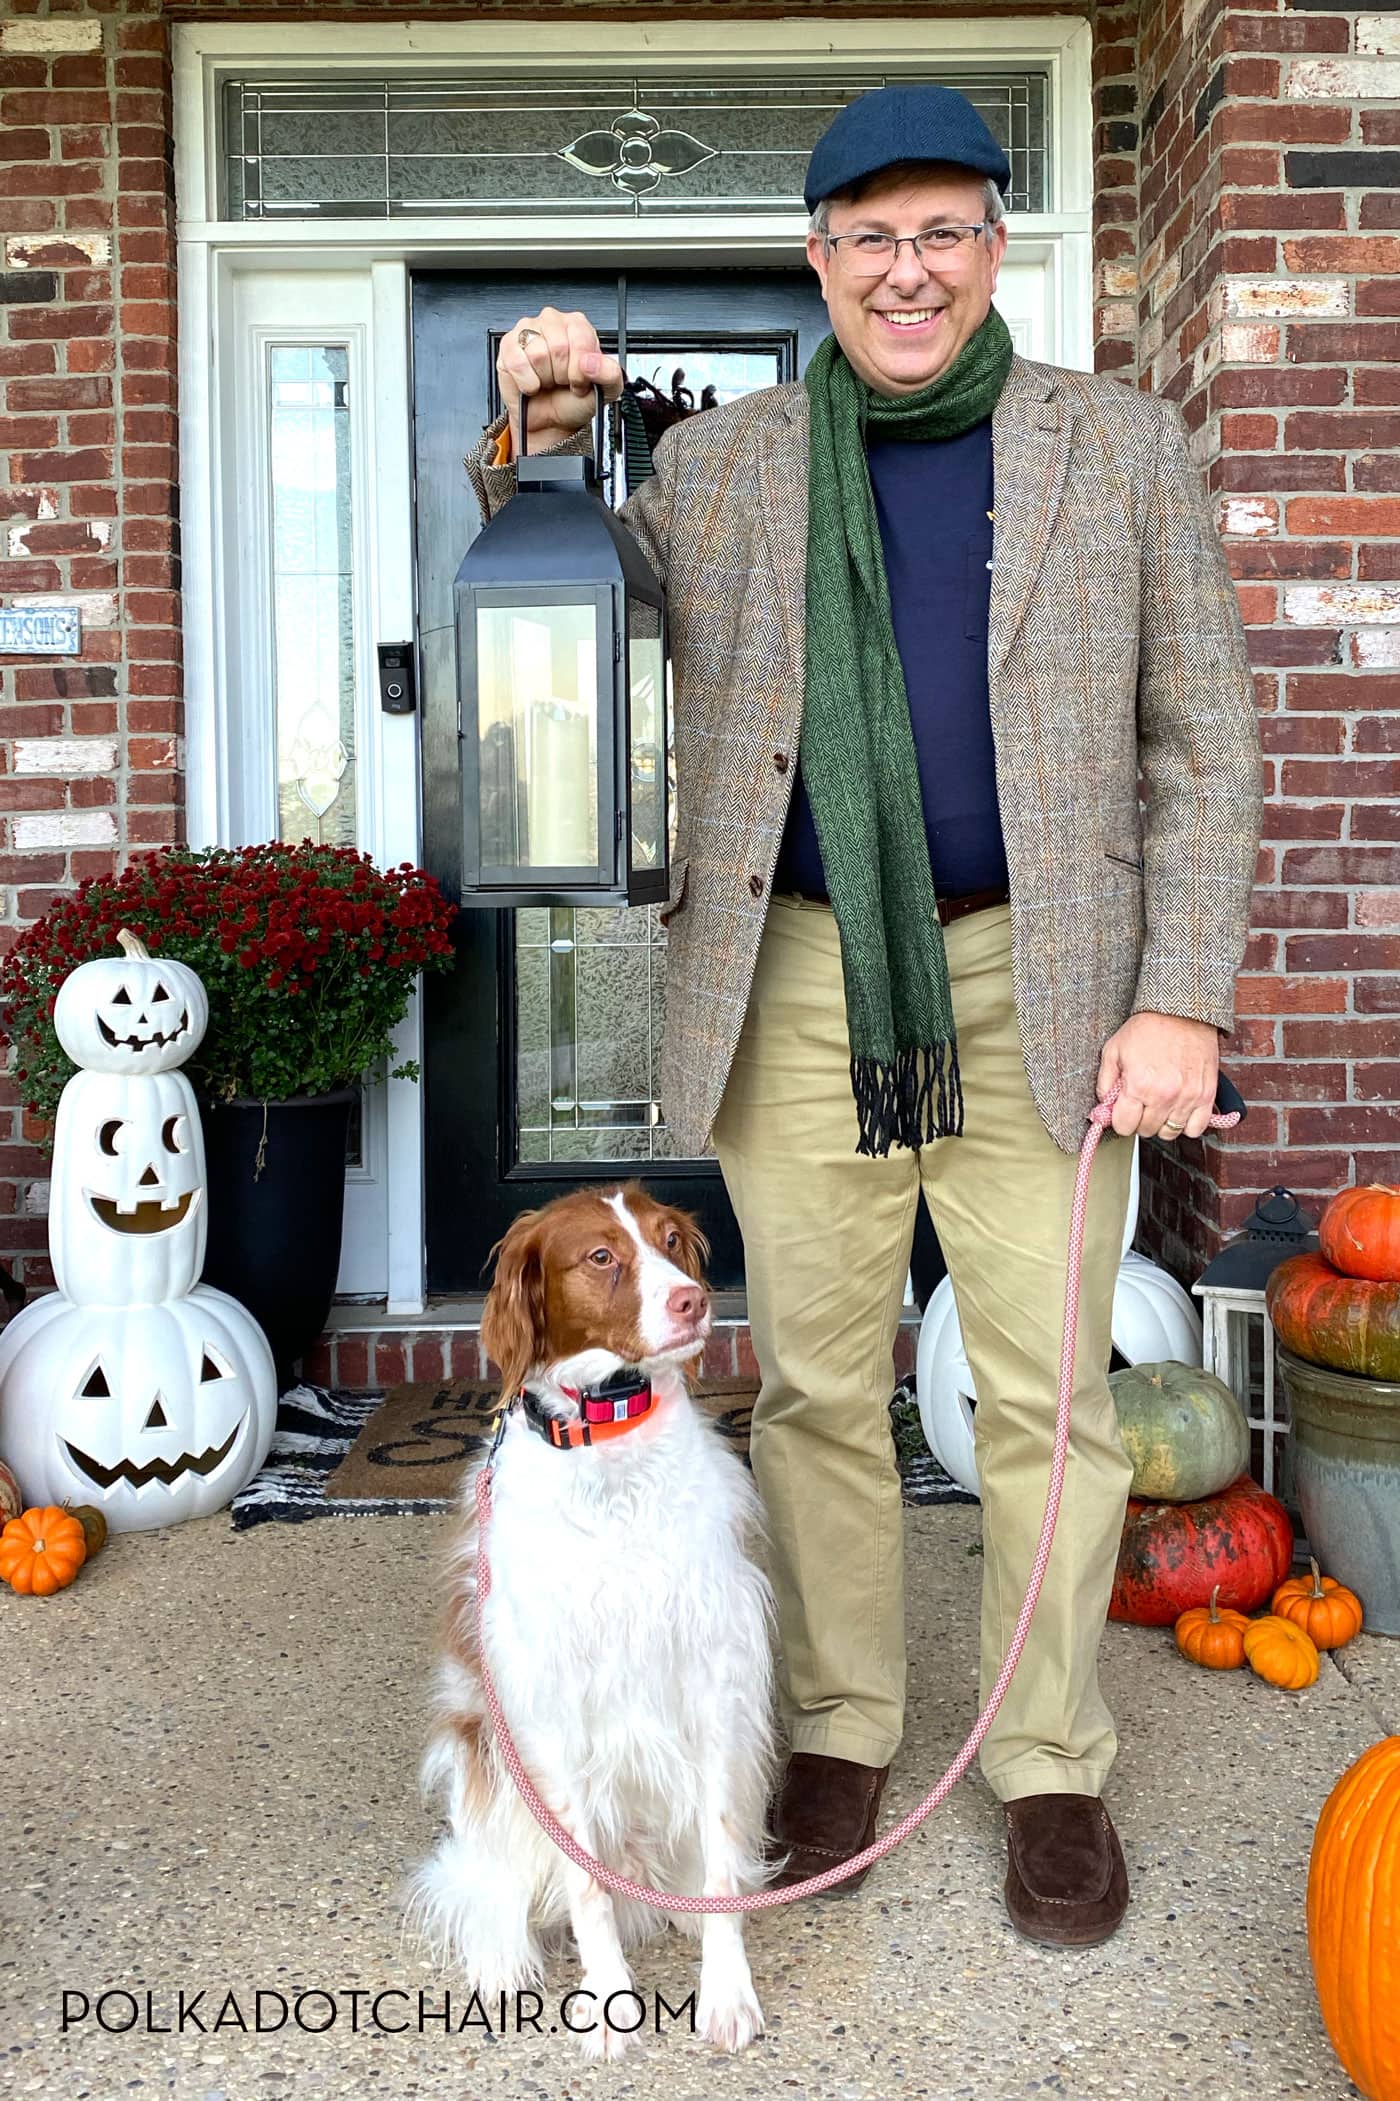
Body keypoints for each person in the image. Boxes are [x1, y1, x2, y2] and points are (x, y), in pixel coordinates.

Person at [465, 82, 1262, 1949]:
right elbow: (579, 588)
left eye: (945, 232)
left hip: (1044, 976)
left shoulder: (1122, 451)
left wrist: (1183, 997)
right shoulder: (727, 461)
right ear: (819, 262)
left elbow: (1204, 744)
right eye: (869, 237)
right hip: (802, 976)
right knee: (816, 1383)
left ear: (994, 249)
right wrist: (529, 429)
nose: (908, 271)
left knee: (1047, 1394)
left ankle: (1048, 1756)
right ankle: (836, 1721)